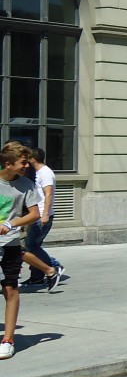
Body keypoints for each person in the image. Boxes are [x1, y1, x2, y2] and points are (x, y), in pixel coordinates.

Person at [0, 145, 47, 360]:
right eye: (23, 162)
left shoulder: (26, 185)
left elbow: (34, 214)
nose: (27, 166)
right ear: (8, 164)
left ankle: (8, 340)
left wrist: (11, 224)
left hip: (10, 244)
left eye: (27, 162)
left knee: (11, 289)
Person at [20, 148, 64, 289]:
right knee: (33, 246)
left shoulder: (45, 173)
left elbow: (48, 194)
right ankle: (37, 277)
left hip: (41, 216)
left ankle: (53, 267)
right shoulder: (38, 172)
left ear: (32, 159)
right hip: (36, 215)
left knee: (30, 247)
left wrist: (45, 214)